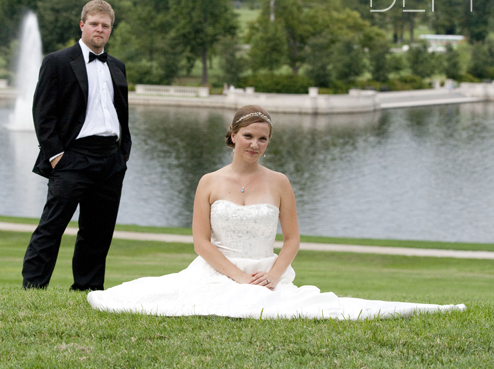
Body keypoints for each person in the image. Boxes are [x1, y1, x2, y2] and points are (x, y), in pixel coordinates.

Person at [87, 105, 465, 319]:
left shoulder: (280, 182)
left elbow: (293, 238)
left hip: (266, 272)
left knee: (288, 305)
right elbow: (201, 242)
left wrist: (272, 275)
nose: (255, 144)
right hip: (219, 269)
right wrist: (237, 276)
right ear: (233, 135)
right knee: (172, 301)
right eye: (249, 135)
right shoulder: (209, 181)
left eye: (263, 138)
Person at [22, 0, 131, 291]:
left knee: (98, 233)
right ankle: (33, 288)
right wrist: (57, 156)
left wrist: (123, 155)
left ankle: (87, 289)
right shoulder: (57, 62)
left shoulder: (117, 67)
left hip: (110, 160)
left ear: (110, 30)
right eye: (94, 23)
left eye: (105, 25)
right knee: (52, 226)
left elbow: (121, 113)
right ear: (82, 25)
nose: (99, 29)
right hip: (72, 158)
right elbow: (43, 115)